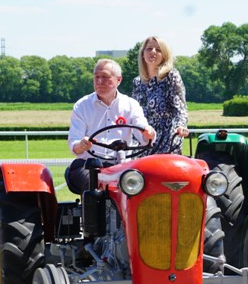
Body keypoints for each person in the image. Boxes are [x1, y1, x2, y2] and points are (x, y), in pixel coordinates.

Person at [67, 58, 156, 192]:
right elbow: (74, 144)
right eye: (96, 77)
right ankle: (94, 204)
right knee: (94, 186)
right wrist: (82, 145)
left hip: (121, 165)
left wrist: (149, 133)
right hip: (88, 164)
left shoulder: (131, 105)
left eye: (105, 77)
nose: (99, 81)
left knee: (143, 183)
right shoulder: (82, 106)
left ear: (118, 80)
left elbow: (143, 133)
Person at [132, 36, 189, 155]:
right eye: (149, 48)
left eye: (158, 50)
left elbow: (180, 109)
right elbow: (133, 113)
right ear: (143, 54)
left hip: (167, 138)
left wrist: (181, 126)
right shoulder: (137, 82)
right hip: (145, 139)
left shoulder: (171, 76)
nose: (153, 52)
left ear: (164, 55)